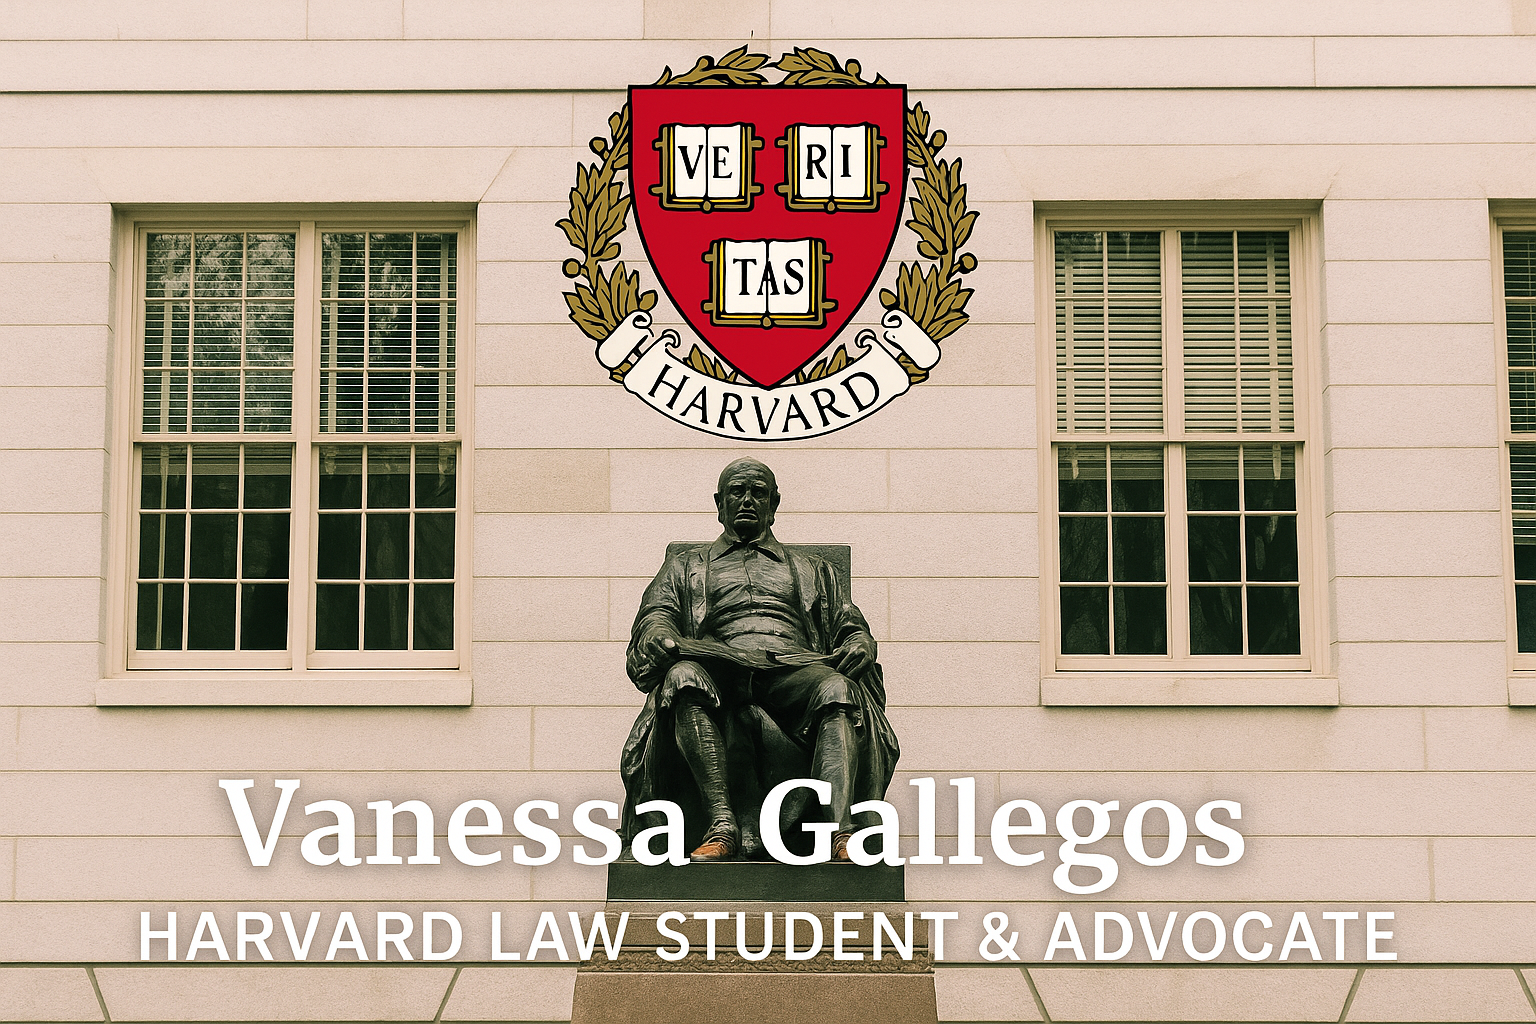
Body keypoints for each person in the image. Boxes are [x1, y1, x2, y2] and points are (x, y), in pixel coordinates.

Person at [619, 457, 900, 861]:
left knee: (839, 688)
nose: (747, 500)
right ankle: (721, 825)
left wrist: (860, 642)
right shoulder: (685, 567)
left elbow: (848, 623)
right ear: (719, 502)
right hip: (720, 669)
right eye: (737, 491)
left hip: (792, 668)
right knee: (682, 676)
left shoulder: (812, 569)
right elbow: (656, 615)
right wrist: (658, 634)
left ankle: (839, 833)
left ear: (774, 503)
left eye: (759, 493)